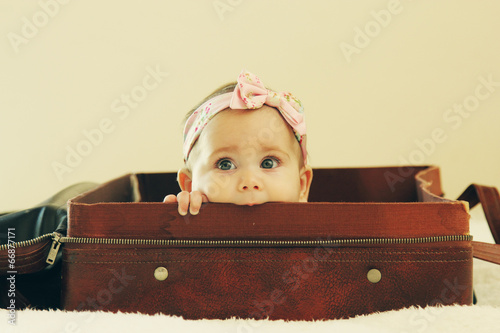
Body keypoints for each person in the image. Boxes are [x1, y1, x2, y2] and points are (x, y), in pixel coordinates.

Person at [163, 70, 313, 216]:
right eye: (225, 164)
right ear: (190, 185)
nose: (249, 181)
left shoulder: (320, 231)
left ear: (302, 186)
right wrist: (179, 225)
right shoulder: (191, 227)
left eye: (268, 163)